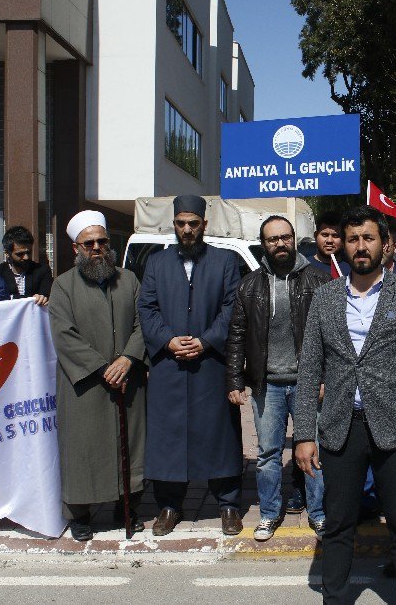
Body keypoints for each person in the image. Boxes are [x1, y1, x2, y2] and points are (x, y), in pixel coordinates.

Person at [293, 206, 396, 604]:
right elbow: (309, 370)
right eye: (352, 239)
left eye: (368, 238)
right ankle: (336, 598)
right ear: (342, 245)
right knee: (339, 525)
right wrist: (304, 435)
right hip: (341, 429)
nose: (360, 246)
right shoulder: (324, 298)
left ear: (386, 244)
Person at [138, 195, 243, 537]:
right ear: (174, 224)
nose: (187, 230)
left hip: (210, 363)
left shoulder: (224, 261)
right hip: (169, 364)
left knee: (219, 433)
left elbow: (232, 308)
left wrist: (206, 340)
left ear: (204, 225)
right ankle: (169, 505)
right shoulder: (156, 262)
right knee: (167, 435)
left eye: (193, 224)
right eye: (181, 223)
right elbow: (147, 308)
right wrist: (167, 340)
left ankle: (227, 504)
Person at [225, 215, 329, 541]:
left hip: (307, 381)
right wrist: (233, 381)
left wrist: (325, 376)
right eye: (272, 239)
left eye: (285, 237)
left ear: (294, 239)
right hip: (265, 384)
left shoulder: (319, 281)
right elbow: (236, 336)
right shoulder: (249, 286)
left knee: (313, 450)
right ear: (264, 244)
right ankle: (269, 514)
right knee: (268, 453)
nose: (280, 243)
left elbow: (331, 335)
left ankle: (319, 513)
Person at [48, 210, 147, 542]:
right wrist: (103, 366)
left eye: (101, 241)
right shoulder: (62, 285)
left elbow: (142, 325)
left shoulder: (128, 279)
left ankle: (126, 506)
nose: (96, 248)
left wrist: (129, 359)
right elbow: (64, 334)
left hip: (126, 380)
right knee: (82, 449)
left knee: (129, 446)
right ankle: (80, 514)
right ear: (76, 247)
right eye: (88, 243)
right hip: (85, 384)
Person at [0, 226, 53, 301]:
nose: (26, 257)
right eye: (20, 254)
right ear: (7, 253)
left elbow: (48, 296)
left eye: (28, 252)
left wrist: (43, 298)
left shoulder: (42, 271)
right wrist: (29, 299)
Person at [309, 211, 350, 278]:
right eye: (325, 235)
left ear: (343, 239)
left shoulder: (352, 271)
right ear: (316, 235)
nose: (329, 240)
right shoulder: (303, 268)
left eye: (335, 236)